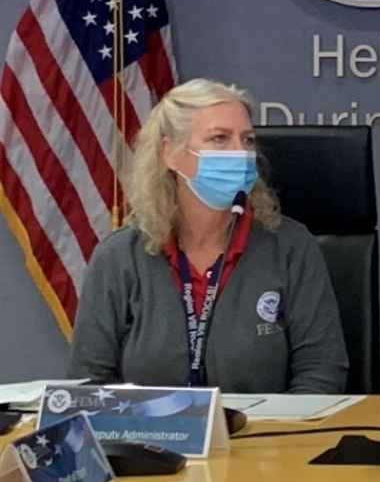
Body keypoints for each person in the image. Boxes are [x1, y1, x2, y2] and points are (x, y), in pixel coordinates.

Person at [68, 79, 348, 393]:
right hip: (147, 438)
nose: (240, 153)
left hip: (267, 438)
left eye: (247, 140)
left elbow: (321, 371)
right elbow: (89, 384)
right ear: (170, 153)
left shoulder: (291, 247)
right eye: (219, 138)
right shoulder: (119, 257)